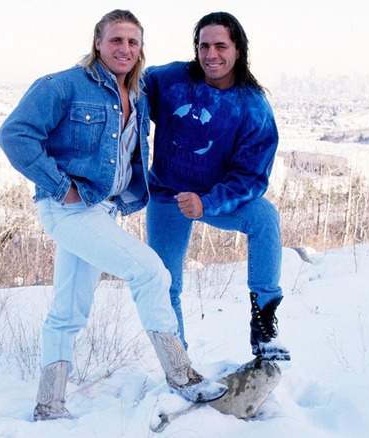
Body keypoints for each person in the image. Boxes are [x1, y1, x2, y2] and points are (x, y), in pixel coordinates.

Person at [0, 9, 227, 421]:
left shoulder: (137, 94)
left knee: (67, 312)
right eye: (116, 40)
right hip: (69, 209)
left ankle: (49, 405)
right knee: (152, 273)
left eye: (133, 42)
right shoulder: (63, 86)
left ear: (140, 50)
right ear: (98, 43)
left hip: (101, 210)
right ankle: (183, 376)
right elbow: (15, 134)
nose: (124, 48)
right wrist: (60, 186)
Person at [144, 11, 290, 361]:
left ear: (238, 49)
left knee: (264, 217)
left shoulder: (253, 108)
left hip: (215, 197)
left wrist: (207, 203)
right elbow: (131, 90)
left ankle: (264, 325)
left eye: (220, 46)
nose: (211, 54)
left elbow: (252, 177)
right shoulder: (171, 80)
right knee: (166, 286)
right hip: (167, 195)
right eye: (203, 46)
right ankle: (177, 362)